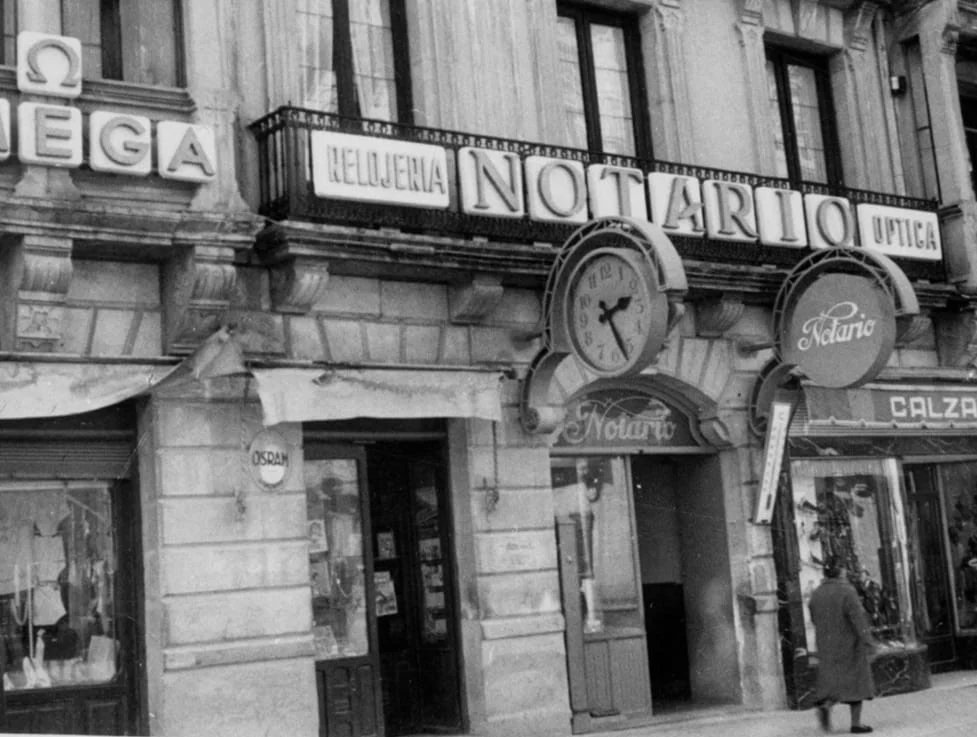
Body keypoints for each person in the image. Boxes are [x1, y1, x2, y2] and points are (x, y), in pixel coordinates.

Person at [809, 553, 876, 734]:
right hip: (849, 644)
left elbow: (814, 618)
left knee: (832, 683)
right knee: (856, 684)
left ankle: (826, 706)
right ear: (840, 571)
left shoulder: (817, 593)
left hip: (827, 645)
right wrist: (869, 642)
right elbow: (858, 620)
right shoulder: (847, 591)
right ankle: (856, 723)